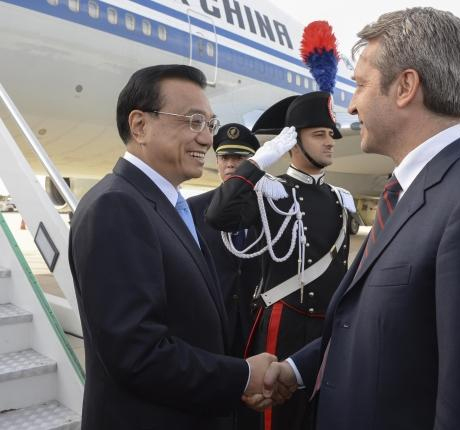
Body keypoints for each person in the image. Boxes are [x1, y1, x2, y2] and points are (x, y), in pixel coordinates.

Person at [255, 8, 460, 430]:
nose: (351, 105)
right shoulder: (410, 190)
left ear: (406, 87)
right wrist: (296, 371)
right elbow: (381, 328)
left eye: (360, 85)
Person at [68, 64, 276, 430]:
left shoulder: (165, 205)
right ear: (140, 126)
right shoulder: (116, 206)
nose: (207, 139)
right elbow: (138, 354)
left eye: (209, 124)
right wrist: (242, 377)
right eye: (193, 121)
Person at [206, 91, 355, 430]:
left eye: (330, 134)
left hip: (326, 328)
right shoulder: (272, 191)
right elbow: (219, 215)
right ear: (293, 141)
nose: (329, 142)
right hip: (284, 323)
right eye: (319, 134)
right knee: (276, 420)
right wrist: (257, 164)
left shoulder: (341, 199)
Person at [189, 123, 262, 358]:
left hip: (255, 321)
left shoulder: (268, 208)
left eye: (239, 158)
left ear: (252, 163)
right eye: (224, 157)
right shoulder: (194, 208)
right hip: (212, 320)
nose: (230, 164)